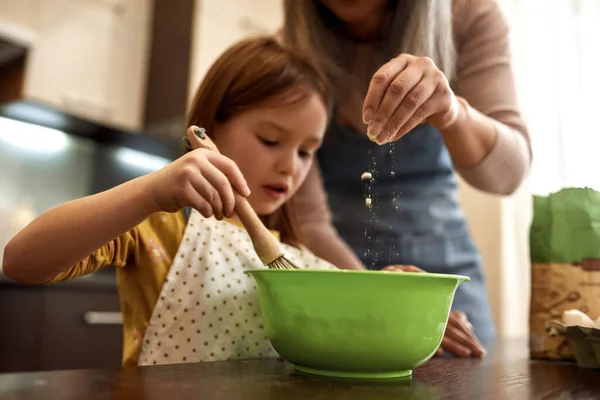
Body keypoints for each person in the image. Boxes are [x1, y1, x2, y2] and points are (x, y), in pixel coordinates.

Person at [2, 36, 342, 367]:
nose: (290, 166)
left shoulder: (300, 257)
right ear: (210, 129)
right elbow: (20, 262)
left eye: (306, 152)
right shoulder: (162, 226)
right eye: (271, 140)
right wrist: (149, 193)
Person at [282, 0, 531, 357]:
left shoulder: (468, 16)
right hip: (337, 275)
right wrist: (382, 298)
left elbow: (508, 175)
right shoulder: (289, 51)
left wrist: (451, 113)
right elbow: (308, 222)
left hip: (445, 276)